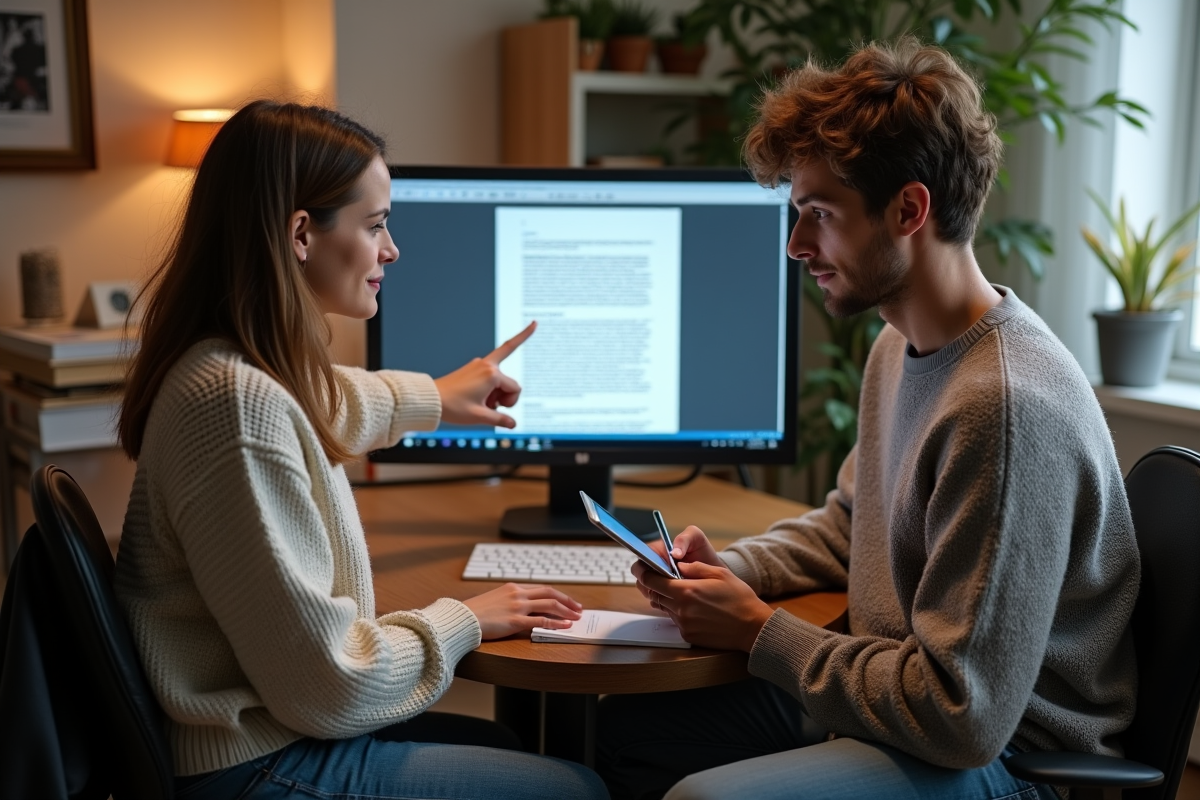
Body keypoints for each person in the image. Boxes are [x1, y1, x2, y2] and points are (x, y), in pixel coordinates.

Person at [596, 38, 1140, 800]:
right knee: (623, 731)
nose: (795, 246)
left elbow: (963, 716)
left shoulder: (1005, 408)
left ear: (910, 209)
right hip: (899, 700)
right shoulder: (900, 345)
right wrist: (729, 571)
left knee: (702, 799)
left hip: (1008, 760)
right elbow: (854, 523)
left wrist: (758, 630)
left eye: (819, 214)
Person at [115, 100, 609, 800]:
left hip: (267, 735)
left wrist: (439, 398)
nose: (391, 249)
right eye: (376, 225)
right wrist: (465, 617)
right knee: (578, 791)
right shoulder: (236, 402)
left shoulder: (231, 369)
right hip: (255, 765)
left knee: (507, 748)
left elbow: (332, 402)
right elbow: (333, 686)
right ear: (301, 235)